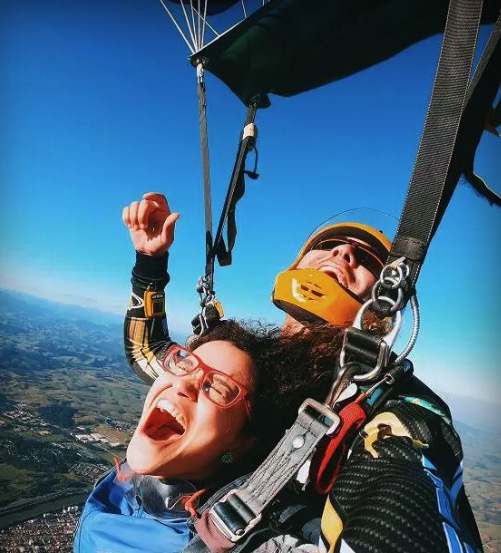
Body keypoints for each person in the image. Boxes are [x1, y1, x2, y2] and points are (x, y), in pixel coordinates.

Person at [113, 192, 482, 553]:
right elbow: (148, 352)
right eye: (330, 245)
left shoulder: (389, 408)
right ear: (296, 266)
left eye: (367, 259)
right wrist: (150, 259)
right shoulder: (244, 364)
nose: (342, 252)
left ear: (385, 305)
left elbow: (405, 485)